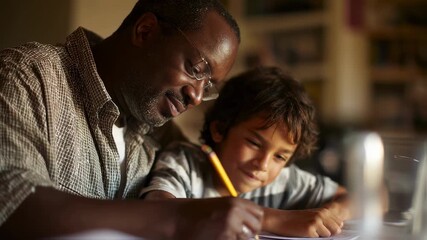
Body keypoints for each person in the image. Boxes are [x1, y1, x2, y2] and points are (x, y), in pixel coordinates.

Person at [0, 1, 264, 239]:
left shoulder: (160, 133)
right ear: (145, 31)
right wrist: (176, 218)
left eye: (208, 87)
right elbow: (11, 201)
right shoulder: (27, 75)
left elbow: (208, 181)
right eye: (195, 70)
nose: (195, 97)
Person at [142, 66, 352, 238]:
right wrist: (268, 219)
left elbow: (369, 198)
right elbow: (156, 208)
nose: (263, 164)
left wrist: (329, 215)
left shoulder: (282, 182)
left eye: (280, 156)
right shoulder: (185, 162)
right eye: (254, 143)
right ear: (220, 129)